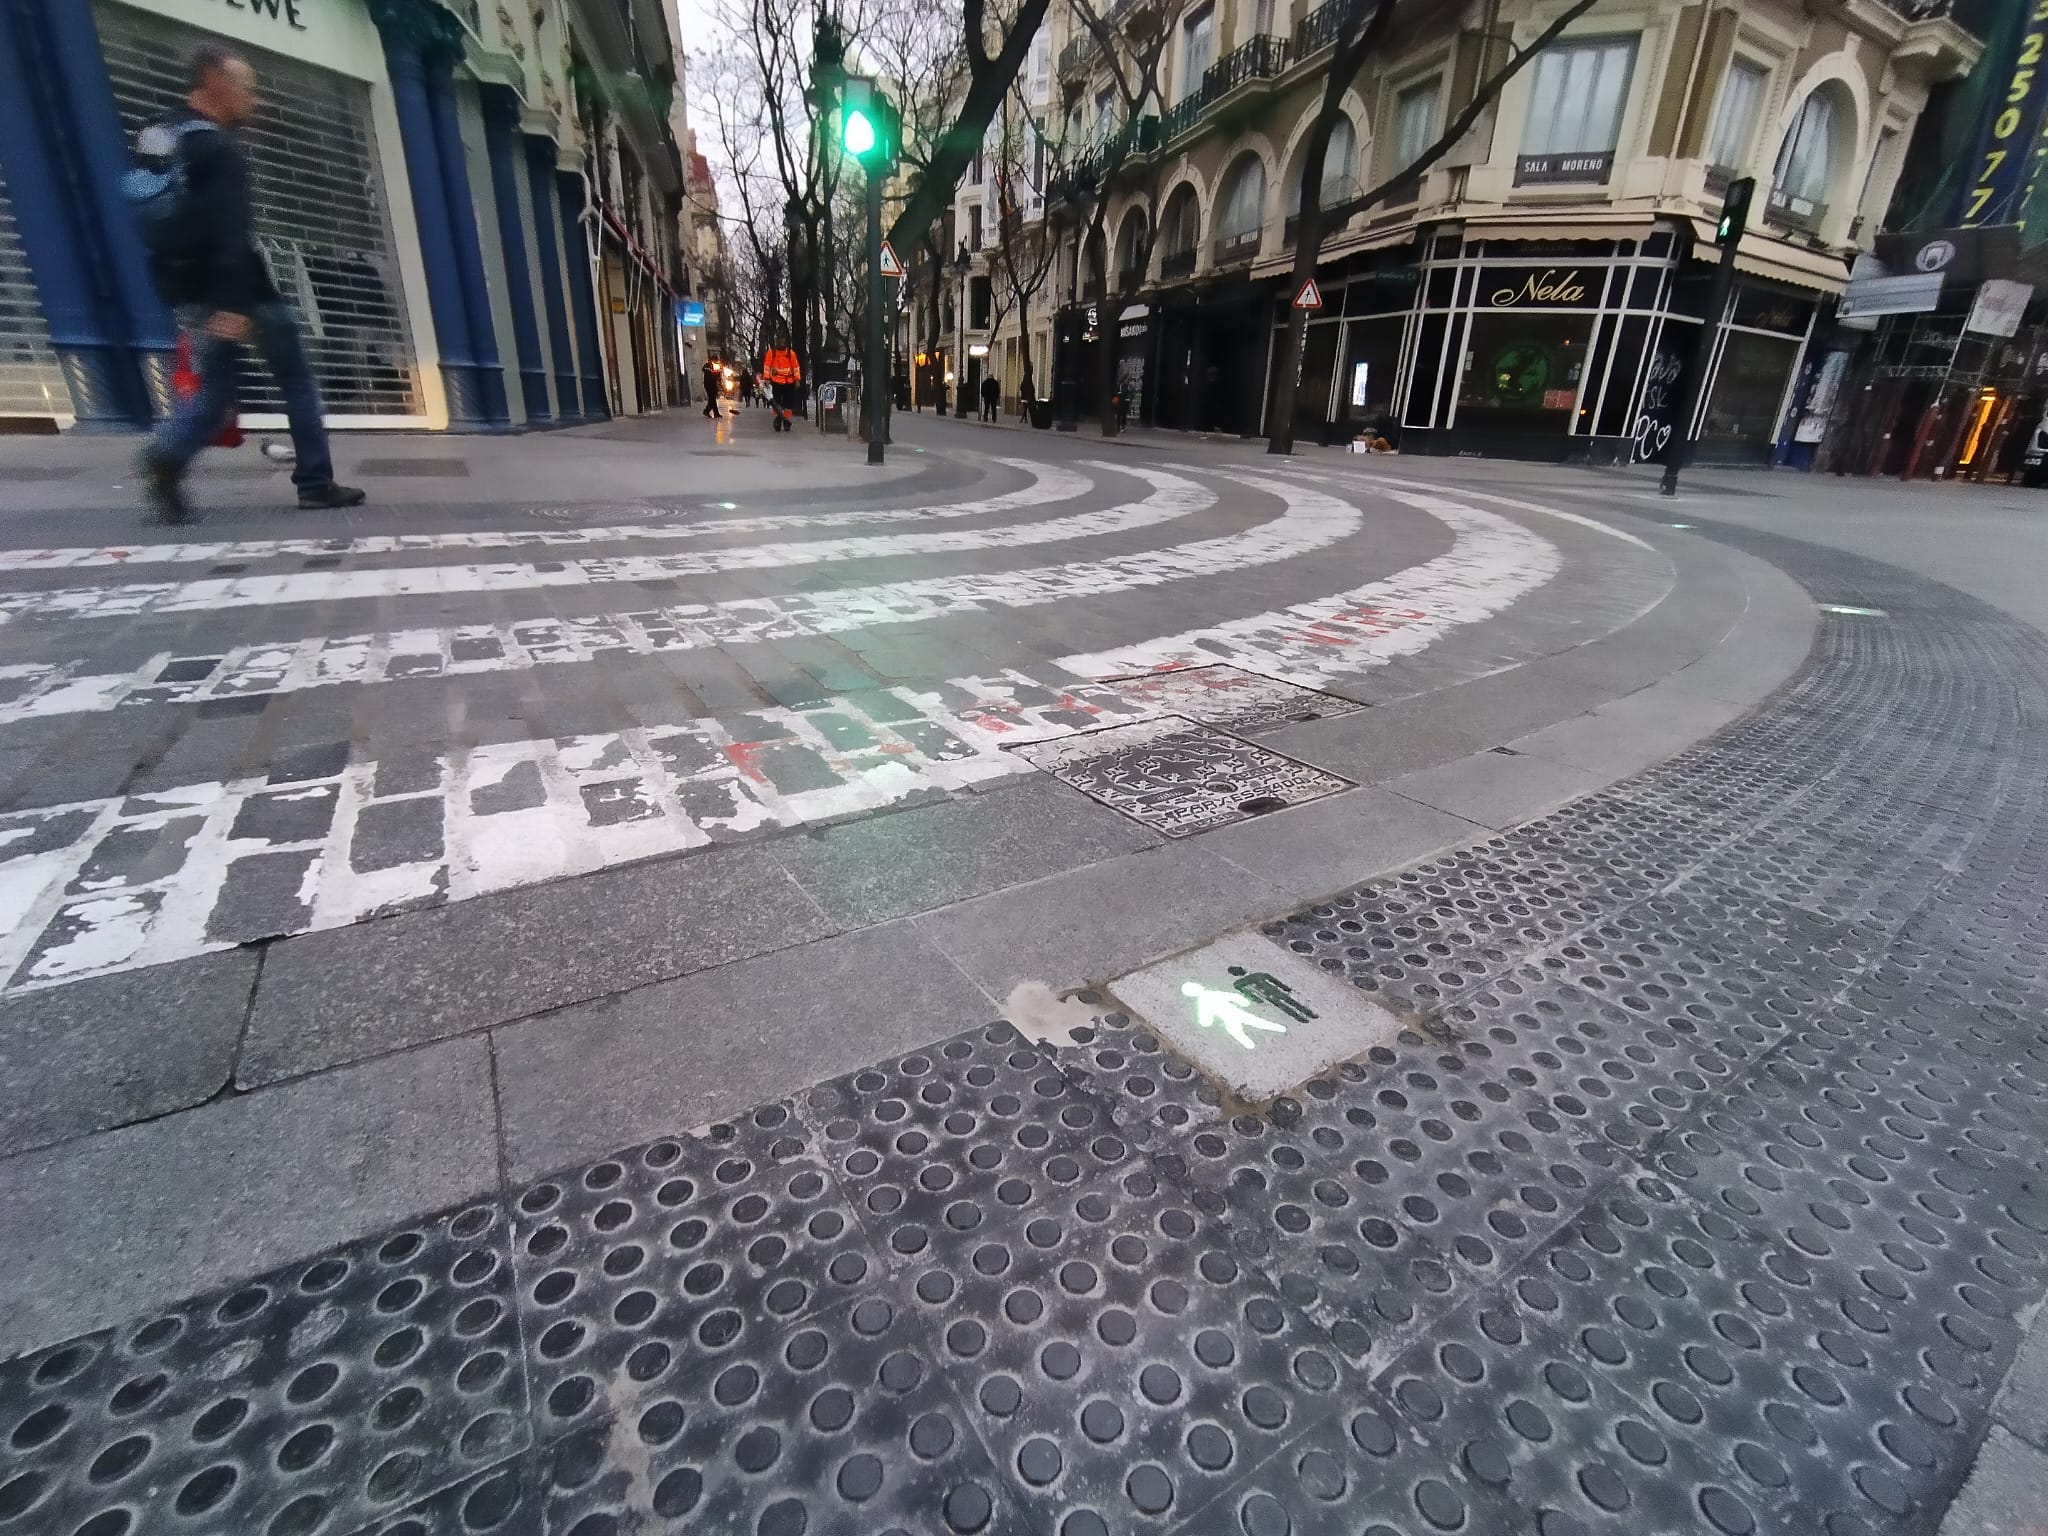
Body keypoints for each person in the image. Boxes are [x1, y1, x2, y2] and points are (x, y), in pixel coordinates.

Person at [137, 42, 364, 525]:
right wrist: (235, 303)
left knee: (216, 390)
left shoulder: (159, 135)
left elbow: (149, 216)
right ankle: (316, 483)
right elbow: (230, 231)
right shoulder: (220, 149)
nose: (253, 100)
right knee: (297, 380)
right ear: (214, 82)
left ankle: (167, 454)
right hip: (241, 292)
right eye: (246, 87)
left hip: (188, 289)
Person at [761, 336, 802, 432]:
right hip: (776, 381)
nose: (782, 344)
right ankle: (779, 419)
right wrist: (766, 379)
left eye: (784, 343)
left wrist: (797, 380)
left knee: (788, 404)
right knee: (777, 402)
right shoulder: (771, 353)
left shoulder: (791, 353)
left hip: (789, 382)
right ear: (777, 343)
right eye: (781, 343)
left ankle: (786, 420)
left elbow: (796, 367)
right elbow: (767, 366)